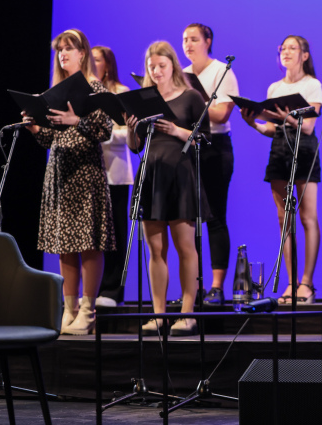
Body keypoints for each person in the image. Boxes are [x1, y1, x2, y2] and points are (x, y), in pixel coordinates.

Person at [23, 29, 115, 335]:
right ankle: (69, 309)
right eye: (59, 49)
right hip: (60, 173)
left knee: (88, 243)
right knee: (65, 244)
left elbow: (105, 131)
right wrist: (36, 129)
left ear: (82, 53)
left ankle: (88, 311)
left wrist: (77, 121)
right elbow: (51, 137)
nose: (63, 54)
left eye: (69, 48)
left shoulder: (94, 87)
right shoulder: (55, 91)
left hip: (85, 173)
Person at [126, 41, 209, 336]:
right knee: (155, 249)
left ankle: (188, 314)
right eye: (152, 67)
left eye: (162, 66)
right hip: (150, 175)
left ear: (173, 65)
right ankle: (158, 313)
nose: (157, 71)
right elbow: (135, 147)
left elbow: (204, 140)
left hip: (180, 176)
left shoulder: (190, 97)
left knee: (185, 247)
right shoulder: (144, 99)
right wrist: (130, 128)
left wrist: (175, 130)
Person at [241, 35, 322, 304]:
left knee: (307, 217)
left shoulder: (312, 85)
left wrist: (285, 117)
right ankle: (290, 282)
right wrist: (253, 123)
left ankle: (307, 284)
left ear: (305, 55)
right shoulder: (275, 87)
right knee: (283, 219)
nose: (286, 52)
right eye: (283, 49)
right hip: (279, 150)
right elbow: (272, 129)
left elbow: (308, 127)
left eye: (292, 48)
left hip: (305, 149)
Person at [182, 23, 239, 306]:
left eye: (194, 39)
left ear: (208, 41)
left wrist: (195, 95)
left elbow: (219, 114)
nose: (188, 45)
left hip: (215, 148)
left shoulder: (221, 71)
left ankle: (216, 287)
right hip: (189, 148)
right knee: (188, 220)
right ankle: (191, 287)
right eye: (184, 40)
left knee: (215, 216)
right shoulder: (182, 74)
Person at [92, 45, 132, 307]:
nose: (93, 64)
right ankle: (93, 290)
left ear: (108, 64)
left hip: (116, 172)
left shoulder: (121, 92)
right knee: (94, 234)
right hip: (91, 172)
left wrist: (102, 134)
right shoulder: (86, 93)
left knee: (116, 231)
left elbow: (127, 135)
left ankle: (113, 290)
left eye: (97, 60)